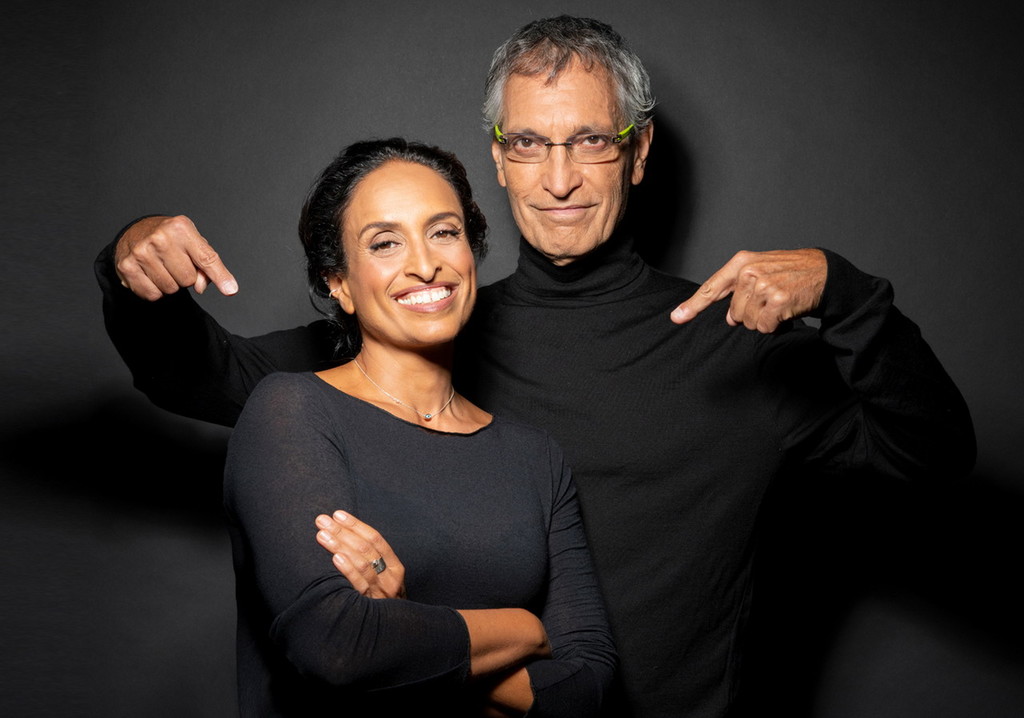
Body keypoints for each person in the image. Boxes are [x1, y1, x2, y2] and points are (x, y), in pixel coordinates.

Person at [96, 16, 975, 718]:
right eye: (527, 143)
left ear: (637, 151)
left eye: (589, 141)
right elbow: (197, 377)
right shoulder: (425, 329)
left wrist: (847, 293)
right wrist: (133, 265)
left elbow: (932, 457)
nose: (558, 180)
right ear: (497, 157)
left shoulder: (738, 343)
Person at [223, 137, 616, 716]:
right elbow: (337, 648)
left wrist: (405, 626)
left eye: (444, 232)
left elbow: (588, 687)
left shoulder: (535, 457)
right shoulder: (292, 412)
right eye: (385, 242)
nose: (425, 264)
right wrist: (526, 629)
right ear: (338, 283)